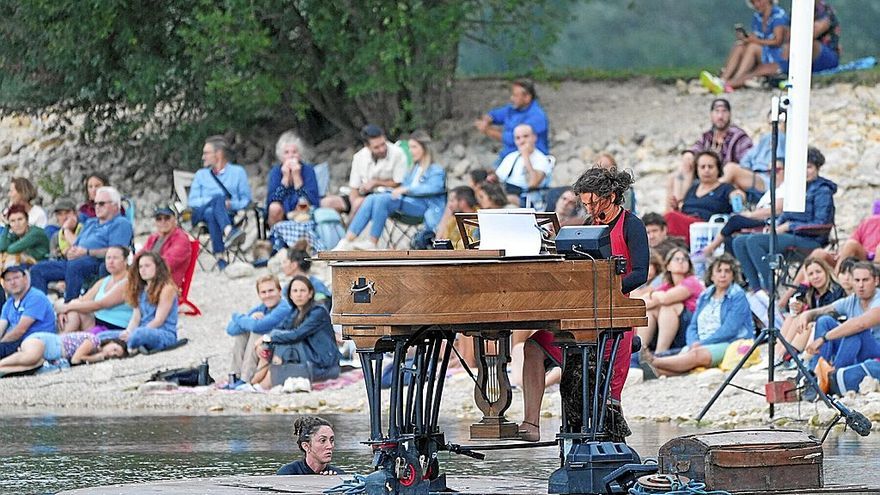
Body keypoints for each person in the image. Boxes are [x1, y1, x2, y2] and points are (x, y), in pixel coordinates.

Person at [519, 167, 649, 442]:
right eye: (585, 203)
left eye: (593, 202)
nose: (588, 208)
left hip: (614, 314)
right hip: (581, 313)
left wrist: (608, 292)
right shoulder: (587, 226)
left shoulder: (631, 225)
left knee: (608, 392)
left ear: (611, 197)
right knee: (533, 346)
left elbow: (640, 272)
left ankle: (610, 441)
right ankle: (531, 423)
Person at [733, 147, 836, 293]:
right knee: (739, 241)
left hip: (810, 239)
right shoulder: (797, 188)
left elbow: (821, 223)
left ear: (817, 168)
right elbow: (786, 214)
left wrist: (789, 226)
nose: (806, 171)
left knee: (754, 241)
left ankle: (769, 290)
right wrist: (777, 224)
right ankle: (755, 288)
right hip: (790, 236)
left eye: (809, 167)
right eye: (802, 168)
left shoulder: (822, 191)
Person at [642, 254, 754, 376]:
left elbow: (730, 329)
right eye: (719, 271)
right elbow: (693, 325)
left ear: (733, 275)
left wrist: (702, 343)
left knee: (695, 355)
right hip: (699, 343)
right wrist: (693, 342)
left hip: (729, 342)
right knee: (682, 358)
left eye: (727, 271)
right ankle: (656, 368)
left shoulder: (737, 296)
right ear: (712, 275)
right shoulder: (705, 296)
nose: (723, 275)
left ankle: (654, 361)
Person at [334, 131, 446, 251]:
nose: (410, 151)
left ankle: (372, 241)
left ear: (424, 148)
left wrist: (407, 189)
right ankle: (347, 240)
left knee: (383, 199)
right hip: (408, 204)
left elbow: (434, 188)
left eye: (414, 147)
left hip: (423, 207)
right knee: (372, 197)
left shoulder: (436, 170)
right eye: (409, 148)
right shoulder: (413, 169)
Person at [29, 186, 134, 301]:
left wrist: (87, 252)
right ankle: (39, 309)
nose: (97, 207)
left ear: (115, 205)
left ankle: (69, 306)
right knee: (37, 269)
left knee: (76, 265)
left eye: (102, 203)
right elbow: (77, 244)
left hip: (97, 262)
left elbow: (118, 252)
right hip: (75, 262)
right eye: (95, 203)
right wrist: (71, 251)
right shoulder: (91, 222)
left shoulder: (120, 223)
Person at [252, 275, 340, 387]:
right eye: (295, 291)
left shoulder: (318, 311)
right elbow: (280, 329)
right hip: (307, 357)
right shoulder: (295, 312)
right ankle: (255, 382)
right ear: (290, 295)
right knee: (276, 337)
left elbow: (297, 335)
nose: (298, 294)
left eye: (302, 290)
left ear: (310, 293)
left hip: (323, 363)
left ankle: (261, 384)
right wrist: (265, 342)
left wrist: (267, 339)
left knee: (282, 344)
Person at [667, 99, 752, 206]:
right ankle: (676, 206)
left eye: (724, 111)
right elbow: (695, 149)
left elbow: (747, 162)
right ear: (711, 115)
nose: (720, 116)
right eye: (717, 111)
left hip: (725, 182)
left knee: (729, 168)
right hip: (705, 178)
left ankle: (686, 206)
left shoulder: (739, 136)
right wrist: (688, 154)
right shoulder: (707, 136)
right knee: (676, 174)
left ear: (729, 114)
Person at [799, 262, 880, 375]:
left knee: (855, 331)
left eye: (865, 280)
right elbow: (824, 310)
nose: (861, 285)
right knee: (824, 321)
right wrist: (807, 315)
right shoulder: (852, 300)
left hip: (876, 352)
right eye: (857, 280)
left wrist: (823, 338)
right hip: (857, 351)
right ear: (852, 282)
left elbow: (860, 324)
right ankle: (815, 373)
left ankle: (833, 374)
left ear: (876, 281)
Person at [188, 135, 253, 270]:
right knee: (217, 199)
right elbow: (193, 201)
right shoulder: (201, 174)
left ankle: (220, 257)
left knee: (213, 213)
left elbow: (246, 200)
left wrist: (231, 205)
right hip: (200, 214)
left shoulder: (237, 172)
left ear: (218, 154)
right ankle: (229, 231)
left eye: (206, 153)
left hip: (226, 214)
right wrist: (215, 201)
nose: (202, 157)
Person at [700, 0, 789, 93]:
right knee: (739, 45)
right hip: (761, 51)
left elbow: (777, 41)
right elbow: (756, 37)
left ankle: (735, 79)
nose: (756, 5)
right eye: (754, 2)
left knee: (752, 47)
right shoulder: (757, 16)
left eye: (758, 1)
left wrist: (755, 41)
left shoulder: (778, 15)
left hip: (775, 54)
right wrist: (746, 39)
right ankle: (722, 79)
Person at [701, 159, 785, 257]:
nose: (773, 174)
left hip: (770, 221)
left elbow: (777, 209)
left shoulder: (785, 188)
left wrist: (750, 215)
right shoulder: (772, 190)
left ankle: (709, 249)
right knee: (730, 238)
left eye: (777, 170)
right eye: (769, 171)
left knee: (735, 220)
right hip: (759, 220)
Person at [320, 125, 407, 218]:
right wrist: (354, 203)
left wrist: (376, 182)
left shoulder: (398, 153)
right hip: (363, 195)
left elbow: (399, 182)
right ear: (367, 146)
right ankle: (341, 230)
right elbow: (354, 187)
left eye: (383, 144)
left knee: (359, 203)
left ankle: (349, 230)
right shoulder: (359, 157)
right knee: (327, 202)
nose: (382, 149)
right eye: (376, 147)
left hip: (388, 197)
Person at [636, 247, 705, 353]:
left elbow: (665, 299)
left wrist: (653, 295)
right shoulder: (667, 286)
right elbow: (643, 303)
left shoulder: (692, 281)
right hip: (673, 327)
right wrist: (651, 298)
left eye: (685, 259)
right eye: (677, 259)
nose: (681, 262)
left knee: (668, 307)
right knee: (650, 310)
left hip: (693, 326)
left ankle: (660, 353)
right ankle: (639, 351)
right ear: (668, 265)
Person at [226, 275, 292, 383]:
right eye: (263, 292)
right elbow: (231, 330)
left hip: (282, 346)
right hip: (266, 346)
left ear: (279, 291)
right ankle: (235, 376)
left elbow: (257, 327)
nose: (267, 295)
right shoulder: (262, 307)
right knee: (241, 334)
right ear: (259, 295)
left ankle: (245, 379)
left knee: (256, 333)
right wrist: (249, 318)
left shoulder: (284, 307)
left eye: (271, 291)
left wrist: (237, 317)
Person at [776, 257, 845, 358]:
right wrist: (798, 306)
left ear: (826, 272)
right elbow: (788, 307)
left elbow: (831, 315)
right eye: (811, 274)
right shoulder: (810, 291)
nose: (815, 276)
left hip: (832, 328)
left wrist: (806, 313)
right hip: (814, 326)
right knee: (792, 317)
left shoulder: (836, 290)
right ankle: (778, 353)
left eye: (818, 272)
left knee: (805, 321)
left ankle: (788, 355)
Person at [665, 151, 740, 243]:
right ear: (697, 170)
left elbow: (737, 198)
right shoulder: (693, 189)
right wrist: (675, 206)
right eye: (702, 167)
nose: (706, 170)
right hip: (686, 224)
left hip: (706, 228)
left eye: (710, 167)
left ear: (718, 169)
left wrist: (738, 196)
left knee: (670, 217)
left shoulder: (725, 188)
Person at [55, 246, 133, 334]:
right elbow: (82, 300)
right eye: (108, 258)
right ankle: (62, 339)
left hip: (115, 327)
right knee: (73, 308)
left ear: (126, 261)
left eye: (115, 258)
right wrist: (64, 311)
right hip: (98, 322)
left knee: (73, 307)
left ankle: (61, 340)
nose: (111, 262)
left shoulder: (128, 282)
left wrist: (66, 308)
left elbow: (100, 304)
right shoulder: (104, 281)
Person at [116, 252, 179, 354]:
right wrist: (128, 332)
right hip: (141, 329)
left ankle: (128, 347)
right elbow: (136, 318)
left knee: (139, 333)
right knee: (103, 335)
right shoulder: (140, 290)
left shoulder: (167, 289)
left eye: (147, 266)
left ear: (158, 267)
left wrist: (133, 334)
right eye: (140, 267)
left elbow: (159, 320)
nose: (143, 270)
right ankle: (128, 345)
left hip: (162, 332)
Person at [474, 79, 549, 162]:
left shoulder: (537, 116)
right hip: (509, 157)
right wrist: (486, 120)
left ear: (527, 97)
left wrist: (488, 131)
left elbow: (514, 139)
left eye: (515, 96)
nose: (512, 98)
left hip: (530, 161)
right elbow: (494, 115)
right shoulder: (512, 109)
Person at [0, 331, 127, 376]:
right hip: (45, 342)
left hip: (47, 354)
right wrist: (97, 358)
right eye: (114, 349)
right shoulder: (94, 341)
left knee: (30, 365)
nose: (111, 353)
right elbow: (76, 359)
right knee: (30, 357)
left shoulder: (94, 349)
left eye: (115, 355)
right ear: (110, 342)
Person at [266, 131, 321, 228]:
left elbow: (311, 200)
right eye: (286, 153)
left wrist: (297, 178)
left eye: (294, 152)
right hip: (282, 209)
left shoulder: (308, 170)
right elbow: (272, 200)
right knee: (274, 207)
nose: (291, 156)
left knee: (303, 204)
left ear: (299, 154)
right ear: (281, 156)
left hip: (303, 210)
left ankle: (302, 238)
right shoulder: (275, 172)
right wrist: (285, 179)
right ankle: (277, 237)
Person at [0, 265, 56, 359]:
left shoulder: (36, 297)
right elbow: (1, 327)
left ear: (25, 278)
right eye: (8, 280)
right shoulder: (9, 303)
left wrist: (2, 343)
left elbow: (20, 331)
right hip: (17, 343)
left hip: (36, 343)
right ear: (4, 284)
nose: (13, 282)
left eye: (16, 277)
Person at [492, 124, 553, 204]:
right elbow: (499, 178)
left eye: (526, 136)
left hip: (526, 198)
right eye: (518, 138)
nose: (522, 141)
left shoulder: (542, 159)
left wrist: (526, 156)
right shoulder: (511, 156)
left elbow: (532, 184)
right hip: (507, 191)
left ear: (534, 137)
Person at [141, 205, 192, 289]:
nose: (163, 222)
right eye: (159, 219)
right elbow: (139, 256)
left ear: (174, 219)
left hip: (166, 286)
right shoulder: (154, 237)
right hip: (148, 280)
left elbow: (166, 264)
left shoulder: (181, 240)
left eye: (167, 218)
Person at [277, 416, 343, 475]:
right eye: (323, 440)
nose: (330, 446)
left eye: (331, 440)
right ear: (306, 446)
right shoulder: (287, 473)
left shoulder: (339, 475)